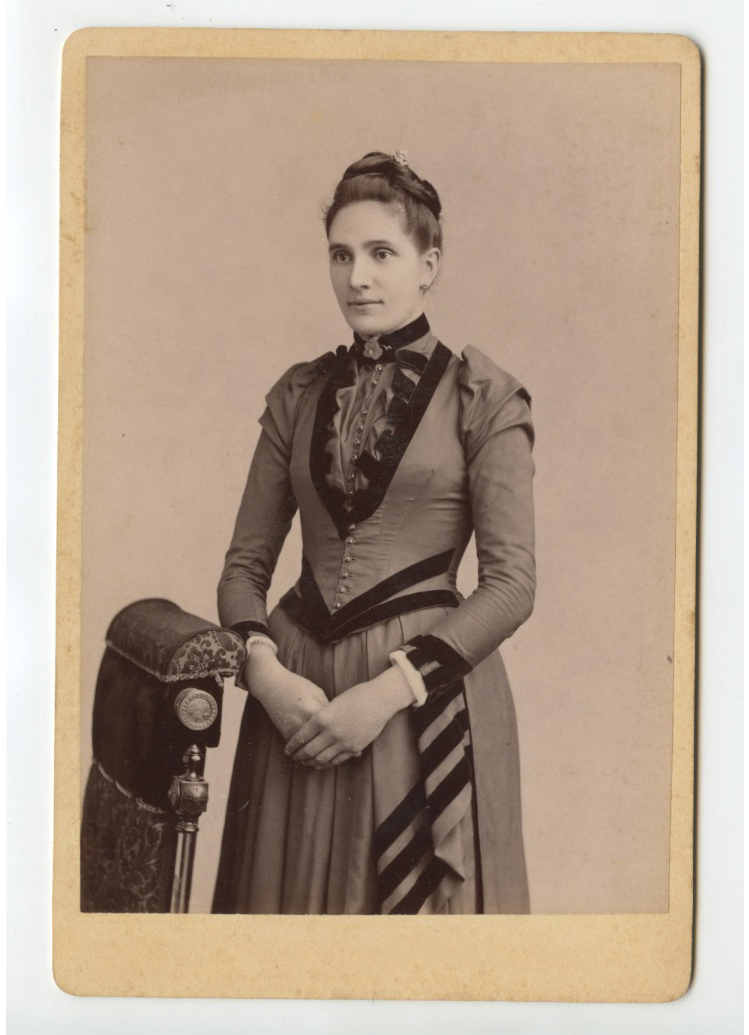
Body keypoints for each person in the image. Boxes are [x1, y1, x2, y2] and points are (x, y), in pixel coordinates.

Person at [212, 151, 536, 915]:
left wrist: (387, 693)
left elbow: (512, 585)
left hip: (418, 700)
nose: (357, 277)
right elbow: (244, 568)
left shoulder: (482, 397)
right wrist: (265, 674)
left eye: (381, 253)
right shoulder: (298, 395)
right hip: (293, 700)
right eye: (341, 255)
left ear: (429, 265)